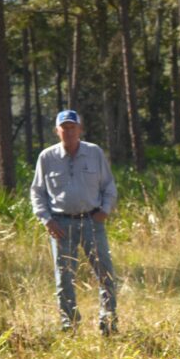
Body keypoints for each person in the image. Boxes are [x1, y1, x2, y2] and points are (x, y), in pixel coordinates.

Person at [29, 110, 120, 335]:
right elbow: (37, 192)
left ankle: (108, 323)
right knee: (64, 279)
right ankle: (70, 326)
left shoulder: (94, 153)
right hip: (60, 225)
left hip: (92, 221)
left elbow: (109, 186)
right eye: (64, 128)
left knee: (105, 274)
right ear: (57, 131)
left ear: (80, 129)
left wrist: (105, 211)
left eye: (72, 127)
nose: (68, 132)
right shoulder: (47, 157)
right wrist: (46, 220)